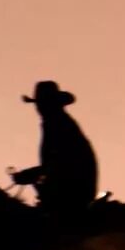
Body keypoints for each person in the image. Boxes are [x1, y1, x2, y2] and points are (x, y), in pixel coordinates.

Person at [11, 80, 99, 225]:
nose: (39, 108)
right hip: (72, 186)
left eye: (42, 103)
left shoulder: (59, 124)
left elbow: (62, 162)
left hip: (73, 190)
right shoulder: (57, 123)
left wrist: (32, 174)